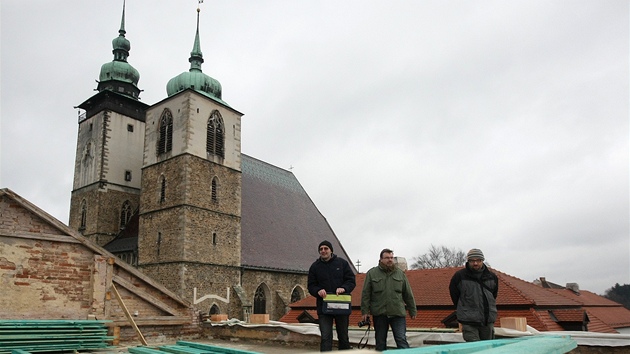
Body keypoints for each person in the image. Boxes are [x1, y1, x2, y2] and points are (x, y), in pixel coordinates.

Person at [360, 248, 417, 351]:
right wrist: (365, 311)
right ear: (381, 259)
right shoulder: (372, 273)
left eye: (391, 257)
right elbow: (366, 294)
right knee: (380, 342)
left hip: (397, 313)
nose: (390, 260)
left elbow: (408, 294)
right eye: (387, 258)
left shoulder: (400, 274)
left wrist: (412, 310)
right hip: (380, 313)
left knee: (401, 339)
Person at [308, 240, 356, 351]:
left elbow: (351, 281)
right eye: (321, 249)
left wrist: (344, 288)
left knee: (343, 337)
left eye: (326, 248)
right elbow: (311, 286)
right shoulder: (315, 267)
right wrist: (318, 291)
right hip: (324, 307)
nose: (323, 251)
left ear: (331, 250)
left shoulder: (342, 263)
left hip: (341, 305)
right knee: (325, 337)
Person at [449, 248, 499, 342]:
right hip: (469, 321)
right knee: (474, 348)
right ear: (468, 261)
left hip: (487, 320)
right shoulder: (459, 276)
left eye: (478, 260)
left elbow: (493, 295)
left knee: (488, 348)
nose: (475, 263)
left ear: (482, 261)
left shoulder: (492, 277)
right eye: (472, 261)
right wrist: (464, 308)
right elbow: (454, 295)